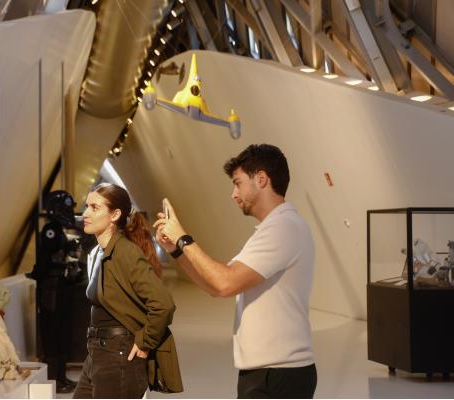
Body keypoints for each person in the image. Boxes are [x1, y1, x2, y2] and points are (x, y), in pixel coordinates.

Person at [154, 144, 316, 399]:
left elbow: (224, 283)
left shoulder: (284, 228)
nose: (233, 194)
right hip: (268, 372)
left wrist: (183, 238)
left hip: (278, 374)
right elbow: (215, 287)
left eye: (238, 183)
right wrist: (176, 251)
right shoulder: (272, 228)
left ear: (261, 179)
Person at [74, 183, 182, 398]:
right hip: (97, 351)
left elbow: (163, 304)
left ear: (115, 215)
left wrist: (144, 342)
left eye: (95, 208)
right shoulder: (97, 253)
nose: (85, 213)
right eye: (86, 206)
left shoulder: (126, 252)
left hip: (119, 353)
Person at [30, 190, 82, 393]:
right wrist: (38, 274)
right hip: (51, 291)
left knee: (60, 333)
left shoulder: (56, 229)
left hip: (58, 289)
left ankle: (60, 378)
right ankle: (54, 379)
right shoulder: (51, 230)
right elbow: (46, 261)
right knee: (53, 333)